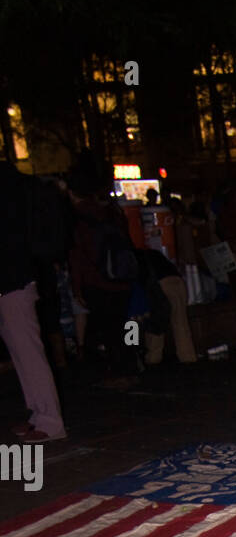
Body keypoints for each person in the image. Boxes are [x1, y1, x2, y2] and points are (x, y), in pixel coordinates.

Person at [0, 162, 67, 441]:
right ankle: (41, 413)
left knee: (27, 351)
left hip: (12, 280)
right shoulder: (20, 187)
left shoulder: (10, 191)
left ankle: (50, 420)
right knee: (23, 351)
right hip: (17, 278)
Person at [68, 153, 140, 388]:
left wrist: (77, 285)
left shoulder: (81, 215)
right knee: (126, 322)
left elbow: (77, 253)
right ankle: (133, 362)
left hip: (98, 279)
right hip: (122, 275)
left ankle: (118, 369)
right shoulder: (113, 211)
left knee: (108, 328)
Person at [134, 247, 196, 365]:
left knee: (156, 322)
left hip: (159, 285)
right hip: (177, 281)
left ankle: (153, 358)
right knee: (181, 322)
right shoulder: (152, 254)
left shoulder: (135, 260)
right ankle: (188, 357)